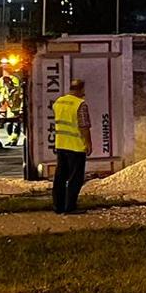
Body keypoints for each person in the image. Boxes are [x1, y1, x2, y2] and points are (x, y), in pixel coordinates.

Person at [51, 78, 90, 214]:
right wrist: (88, 143)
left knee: (60, 177)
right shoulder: (80, 104)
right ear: (81, 89)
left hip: (61, 144)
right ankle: (70, 207)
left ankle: (58, 206)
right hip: (76, 146)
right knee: (75, 178)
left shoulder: (59, 102)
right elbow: (84, 126)